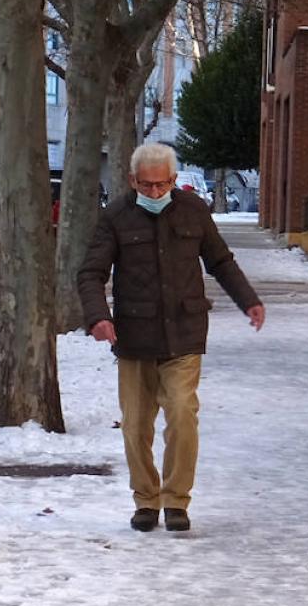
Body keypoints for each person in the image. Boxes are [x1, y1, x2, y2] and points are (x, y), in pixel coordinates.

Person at [78, 144, 265, 533]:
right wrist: (98, 316)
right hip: (135, 336)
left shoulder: (193, 211)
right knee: (136, 426)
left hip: (185, 332)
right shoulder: (115, 217)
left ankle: (176, 499)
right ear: (132, 180)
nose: (155, 191)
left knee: (182, 413)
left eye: (162, 184)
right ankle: (146, 500)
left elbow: (220, 261)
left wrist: (248, 300)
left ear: (174, 180)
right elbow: (91, 273)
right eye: (147, 185)